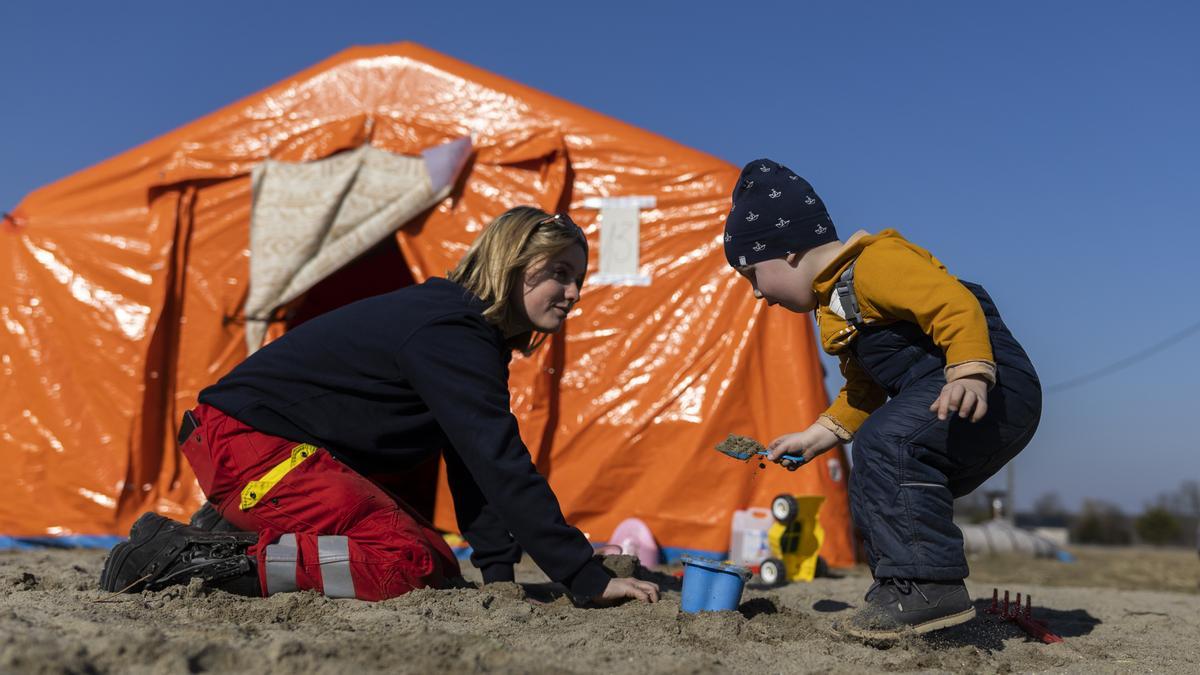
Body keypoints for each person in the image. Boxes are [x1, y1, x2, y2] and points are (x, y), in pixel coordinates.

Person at [100, 206, 659, 606]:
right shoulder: (450, 332)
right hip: (251, 446)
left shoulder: (464, 334)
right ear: (512, 264)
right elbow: (499, 460)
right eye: (559, 273)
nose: (574, 292)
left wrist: (498, 573)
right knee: (407, 563)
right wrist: (582, 576)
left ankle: (226, 532)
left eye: (578, 278)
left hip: (255, 445)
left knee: (435, 561)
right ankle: (193, 561)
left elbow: (469, 462)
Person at [722, 159, 1041, 640]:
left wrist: (971, 372)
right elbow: (864, 387)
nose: (757, 295)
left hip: (991, 387)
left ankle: (929, 587)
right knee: (877, 477)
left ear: (787, 253)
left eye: (753, 276)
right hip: (944, 394)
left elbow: (954, 305)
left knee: (885, 446)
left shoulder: (874, 265)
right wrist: (817, 435)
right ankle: (900, 590)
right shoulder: (835, 308)